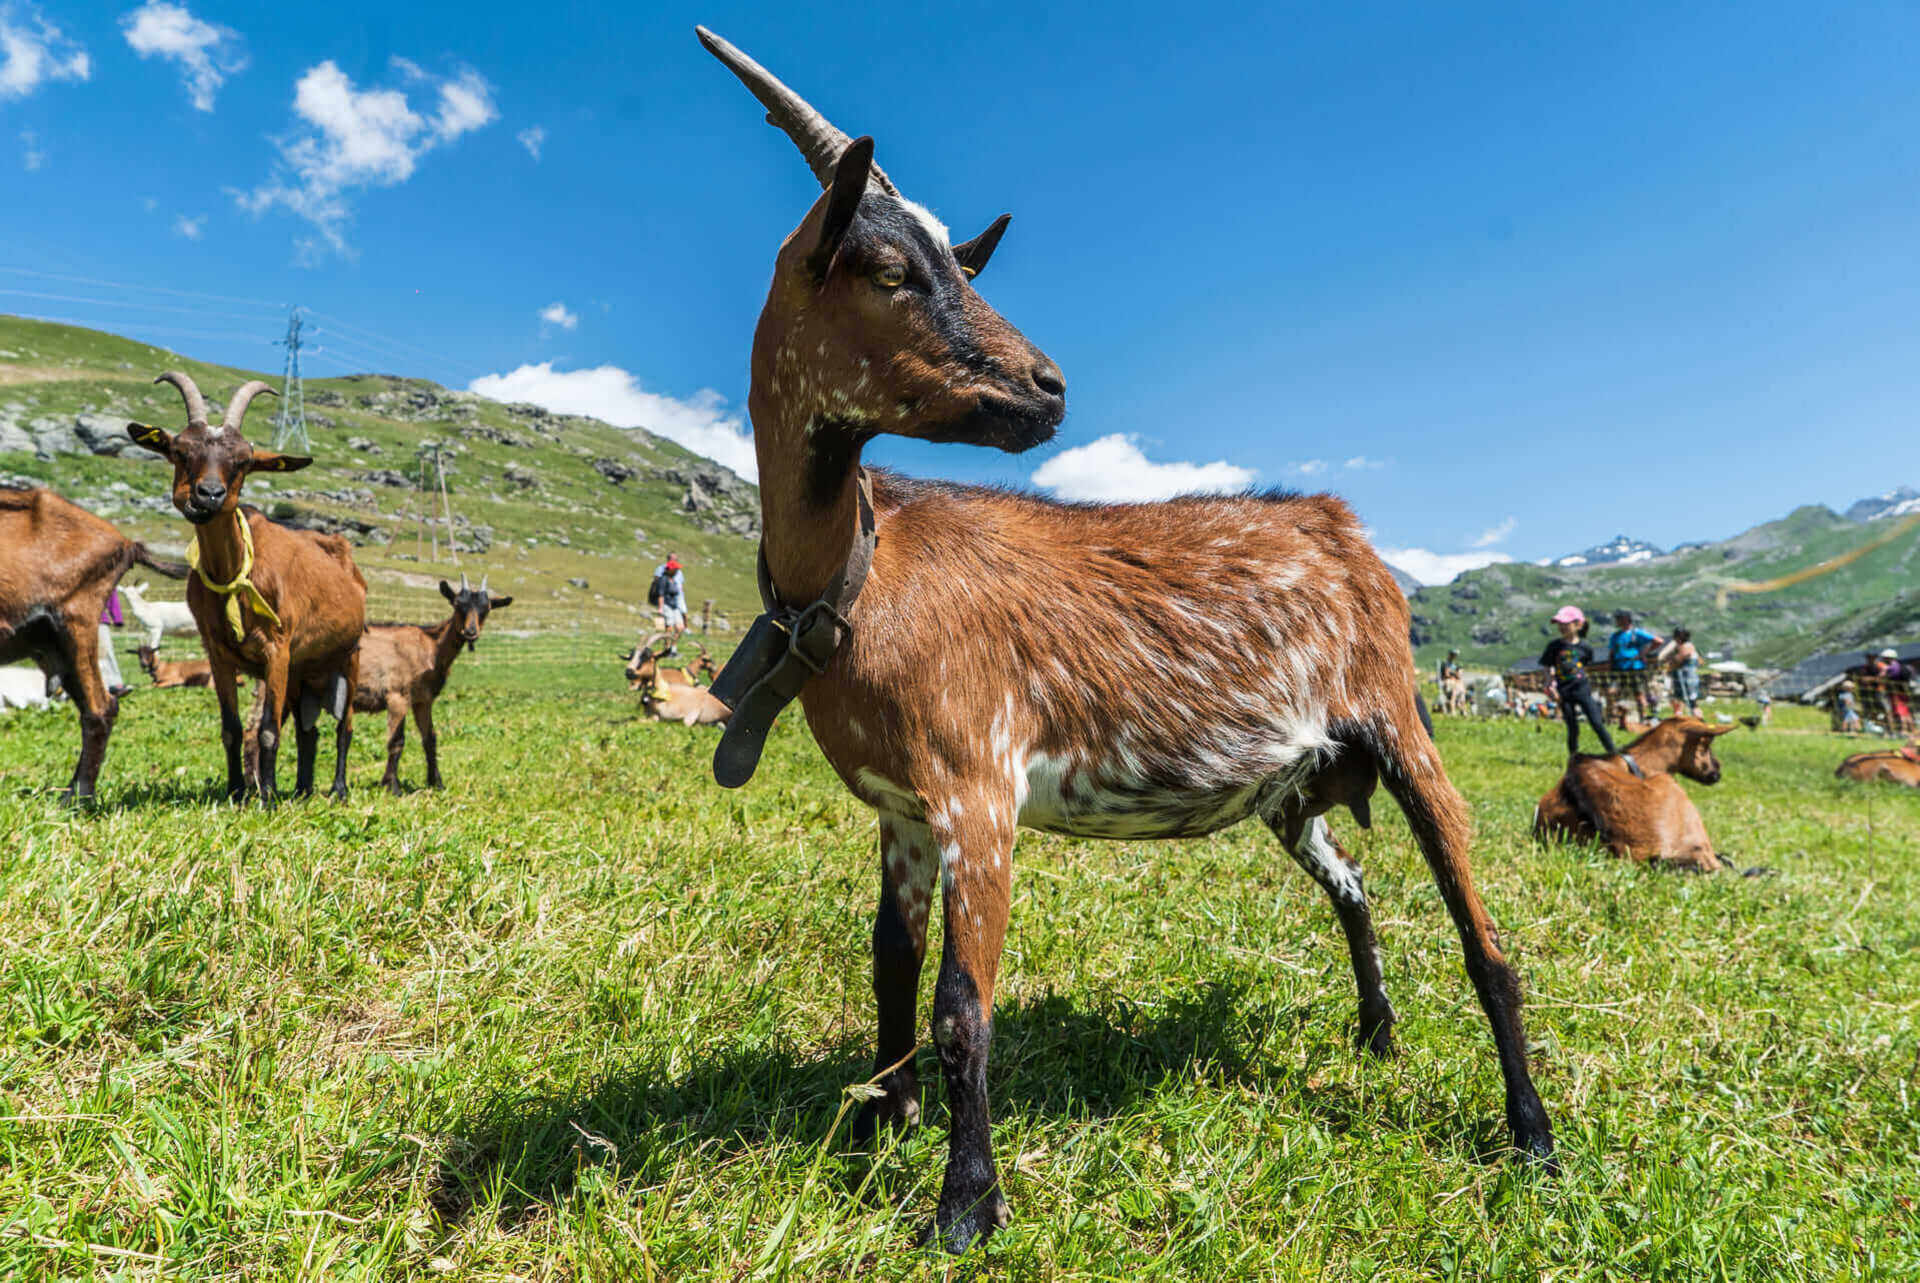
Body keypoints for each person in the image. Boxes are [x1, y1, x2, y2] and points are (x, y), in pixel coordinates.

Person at [1540, 605, 1639, 774]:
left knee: (1597, 723)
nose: (1562, 627)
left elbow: (1585, 665)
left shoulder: (1585, 648)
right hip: (1564, 692)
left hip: (1582, 690)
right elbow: (1547, 665)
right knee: (1572, 727)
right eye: (1559, 624)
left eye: (1566, 623)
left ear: (1578, 625)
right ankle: (1573, 760)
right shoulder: (1554, 646)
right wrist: (1550, 684)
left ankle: (1614, 755)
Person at [1607, 610, 1664, 721]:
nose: (1617, 621)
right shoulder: (1615, 636)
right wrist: (1610, 666)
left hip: (1635, 667)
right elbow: (1612, 652)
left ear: (1626, 620)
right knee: (1617, 693)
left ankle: (1642, 718)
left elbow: (1658, 641)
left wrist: (1643, 653)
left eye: (1619, 619)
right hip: (1619, 668)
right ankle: (1620, 719)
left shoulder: (1637, 633)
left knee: (1639, 694)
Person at [651, 555, 688, 650]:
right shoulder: (664, 579)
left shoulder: (674, 580)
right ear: (671, 570)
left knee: (680, 627)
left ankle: (673, 647)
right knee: (669, 627)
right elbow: (661, 594)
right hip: (667, 605)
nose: (677, 571)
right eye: (675, 569)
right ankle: (667, 647)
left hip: (675, 606)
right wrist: (660, 608)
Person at [98, 589, 129, 698]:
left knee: (106, 652)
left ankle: (115, 683)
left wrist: (117, 617)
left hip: (98, 618)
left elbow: (110, 589)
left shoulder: (99, 572)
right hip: (74, 618)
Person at [1665, 627, 1702, 717]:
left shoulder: (1686, 646)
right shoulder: (1686, 646)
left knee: (1690, 701)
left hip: (1686, 678)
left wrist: (1671, 660)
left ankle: (1697, 720)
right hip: (1684, 677)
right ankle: (1680, 719)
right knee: (1681, 701)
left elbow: (1678, 660)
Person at [1879, 648, 1913, 734]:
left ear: (1889, 658)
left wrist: (1884, 673)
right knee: (1906, 711)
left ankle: (1904, 730)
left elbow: (1886, 678)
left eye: (1885, 658)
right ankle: (1912, 730)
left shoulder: (1892, 667)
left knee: (1900, 712)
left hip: (1896, 693)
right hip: (1903, 692)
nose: (1883, 659)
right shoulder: (1898, 665)